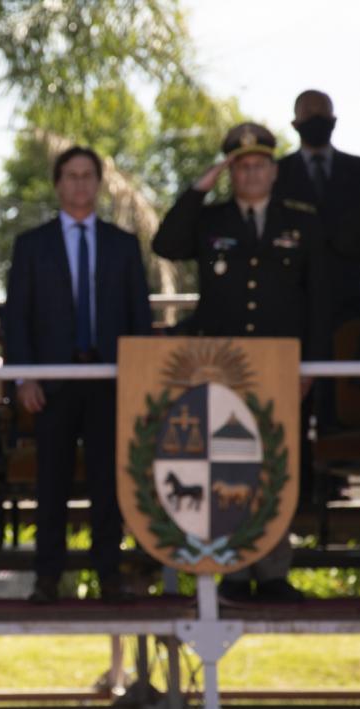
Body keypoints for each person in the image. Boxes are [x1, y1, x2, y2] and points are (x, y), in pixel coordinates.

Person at [153, 122, 330, 603]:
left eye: (259, 165)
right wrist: (199, 189)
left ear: (274, 171)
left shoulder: (301, 220)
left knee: (276, 464)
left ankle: (273, 570)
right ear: (231, 172)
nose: (252, 174)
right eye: (242, 166)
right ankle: (230, 568)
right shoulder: (211, 221)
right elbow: (166, 244)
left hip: (281, 366)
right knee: (227, 467)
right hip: (222, 365)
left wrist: (310, 366)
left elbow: (318, 299)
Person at [4, 145, 152, 604]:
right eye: (71, 175)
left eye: (88, 175)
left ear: (99, 183)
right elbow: (17, 319)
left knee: (109, 482)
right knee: (52, 482)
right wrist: (24, 378)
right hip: (52, 383)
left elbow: (139, 318)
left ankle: (109, 572)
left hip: (110, 380)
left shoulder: (123, 244)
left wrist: (139, 379)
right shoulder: (32, 245)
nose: (80, 184)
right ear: (58, 183)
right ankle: (47, 576)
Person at [274, 90, 360, 326]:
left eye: (323, 113)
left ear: (334, 120)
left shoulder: (356, 170)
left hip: (353, 302)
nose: (317, 119)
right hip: (296, 304)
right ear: (295, 123)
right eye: (309, 114)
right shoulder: (275, 174)